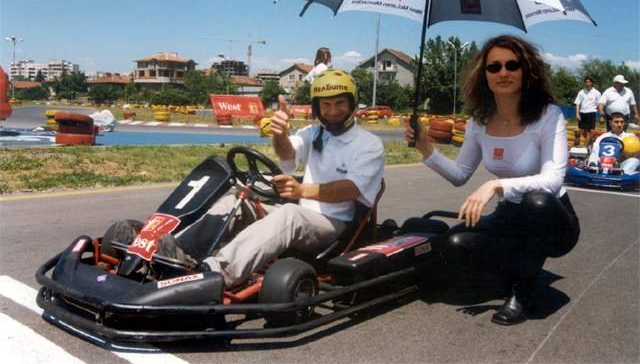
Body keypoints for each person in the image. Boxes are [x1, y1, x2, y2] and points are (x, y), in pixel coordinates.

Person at [108, 69, 384, 289]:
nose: (333, 110)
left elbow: (352, 188)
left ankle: (215, 272)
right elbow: (287, 154)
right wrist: (279, 133)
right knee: (237, 199)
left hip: (333, 223)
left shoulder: (368, 144)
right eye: (326, 104)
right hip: (303, 211)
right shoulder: (315, 133)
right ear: (317, 107)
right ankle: (175, 251)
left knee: (288, 215)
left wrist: (302, 190)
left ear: (352, 103)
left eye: (339, 103)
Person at [406, 35, 580, 326]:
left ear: (526, 71)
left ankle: (521, 293)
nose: (503, 73)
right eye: (494, 67)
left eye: (512, 65)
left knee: (536, 202)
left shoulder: (548, 115)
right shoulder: (479, 121)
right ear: (483, 74)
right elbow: (459, 175)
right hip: (509, 215)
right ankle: (510, 272)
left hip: (552, 220)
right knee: (455, 244)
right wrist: (425, 147)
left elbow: (552, 180)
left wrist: (495, 185)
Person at [574, 76, 601, 147]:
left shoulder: (597, 93)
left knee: (589, 132)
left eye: (589, 82)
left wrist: (601, 115)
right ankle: (579, 146)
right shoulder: (581, 92)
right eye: (586, 82)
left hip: (591, 113)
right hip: (582, 113)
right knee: (581, 131)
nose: (587, 83)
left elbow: (599, 104)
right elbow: (577, 104)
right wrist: (577, 114)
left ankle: (585, 148)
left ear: (592, 83)